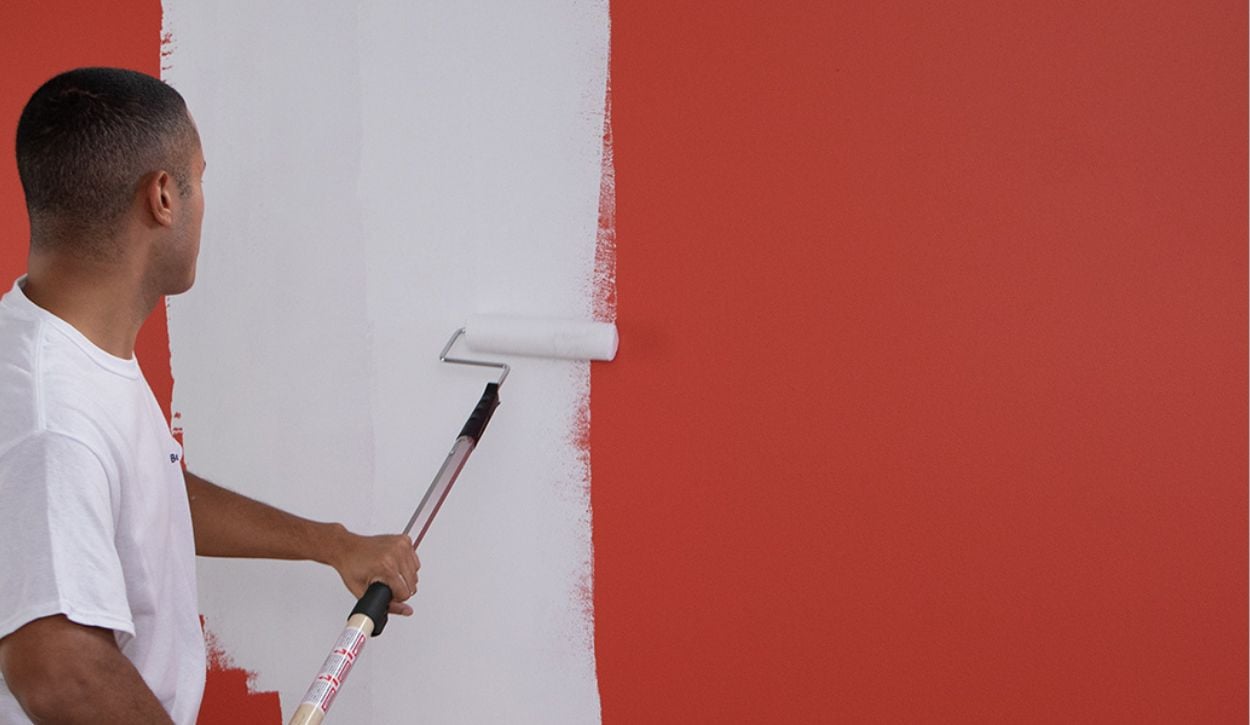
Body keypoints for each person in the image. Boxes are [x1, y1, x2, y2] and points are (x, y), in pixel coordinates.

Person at [0, 67, 421, 724]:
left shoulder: (62, 345)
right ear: (164, 196)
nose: (203, 204)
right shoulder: (54, 415)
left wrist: (330, 542)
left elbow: (148, 492)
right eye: (201, 177)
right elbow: (59, 671)